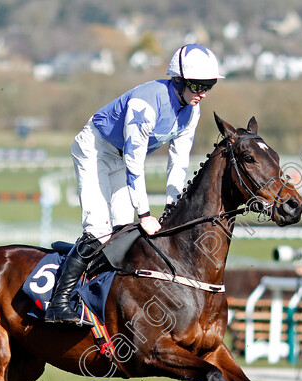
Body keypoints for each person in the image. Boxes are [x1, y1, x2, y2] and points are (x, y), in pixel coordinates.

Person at [44, 43, 224, 325]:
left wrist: (171, 205)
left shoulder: (191, 111)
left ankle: (100, 298)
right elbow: (134, 163)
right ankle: (59, 302)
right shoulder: (146, 104)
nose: (202, 92)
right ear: (178, 80)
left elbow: (178, 161)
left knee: (125, 234)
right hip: (95, 150)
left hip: (117, 159)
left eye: (208, 86)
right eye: (197, 85)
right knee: (99, 231)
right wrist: (144, 213)